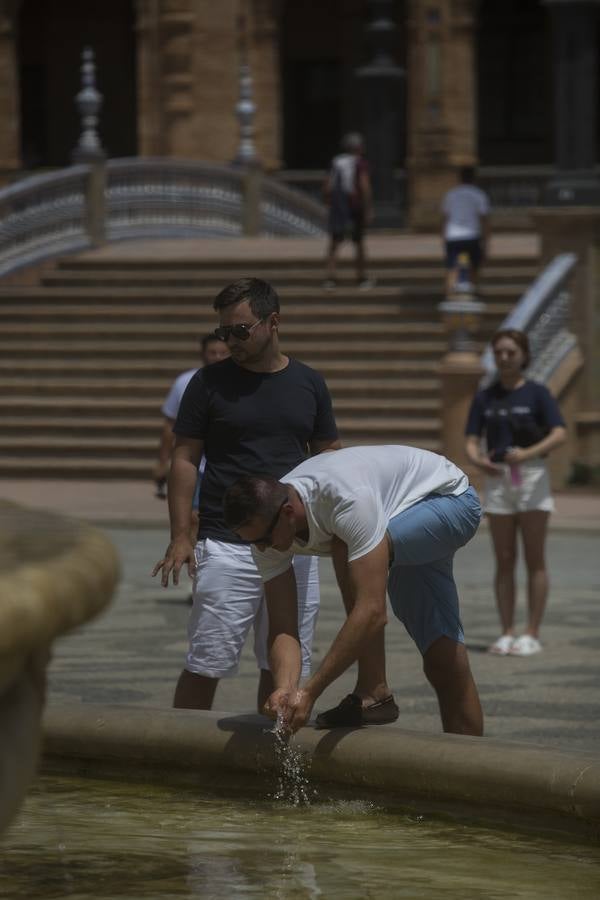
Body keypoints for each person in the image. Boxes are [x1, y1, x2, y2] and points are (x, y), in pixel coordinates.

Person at [152, 278, 341, 712]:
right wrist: (182, 535)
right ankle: (182, 757)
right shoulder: (208, 383)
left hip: (295, 544)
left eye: (240, 331)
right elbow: (184, 459)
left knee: (281, 665)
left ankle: (267, 761)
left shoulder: (309, 383)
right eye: (223, 333)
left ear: (273, 322)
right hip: (225, 541)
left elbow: (331, 458)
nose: (230, 341)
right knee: (207, 660)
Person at [223, 445, 483, 735]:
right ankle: (474, 770)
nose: (260, 549)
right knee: (443, 662)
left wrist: (310, 692)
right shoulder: (267, 525)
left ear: (287, 512)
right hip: (396, 512)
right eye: (250, 542)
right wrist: (286, 689)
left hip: (451, 500)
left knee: (343, 545)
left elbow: (372, 612)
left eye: (262, 539)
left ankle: (374, 690)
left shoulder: (344, 499)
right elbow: (283, 627)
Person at [464, 329, 567, 657]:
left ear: (523, 355)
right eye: (499, 353)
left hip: (532, 474)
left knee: (534, 557)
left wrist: (527, 453)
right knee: (504, 559)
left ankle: (531, 632)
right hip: (498, 479)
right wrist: (479, 461)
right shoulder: (486, 396)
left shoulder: (537, 393)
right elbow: (470, 439)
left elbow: (559, 432)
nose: (505, 358)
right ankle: (507, 631)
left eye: (511, 352)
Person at [152, 334, 230, 501]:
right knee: (193, 518)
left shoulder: (240, 384)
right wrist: (162, 462)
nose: (217, 357)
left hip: (228, 466)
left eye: (223, 353)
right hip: (195, 466)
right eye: (212, 352)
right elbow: (170, 425)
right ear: (203, 354)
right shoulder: (185, 382)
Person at [323, 132, 374, 290]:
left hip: (339, 207)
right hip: (354, 206)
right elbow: (364, 186)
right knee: (358, 243)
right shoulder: (360, 163)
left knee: (334, 243)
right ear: (359, 147)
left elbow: (328, 186)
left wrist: (330, 205)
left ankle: (331, 279)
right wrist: (368, 208)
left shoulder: (336, 161)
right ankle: (361, 278)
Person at [441, 166, 490, 296]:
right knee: (474, 267)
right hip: (472, 235)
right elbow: (484, 219)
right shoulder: (478, 194)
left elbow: (445, 218)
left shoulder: (451, 194)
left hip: (453, 235)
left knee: (452, 268)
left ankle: (449, 295)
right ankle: (474, 293)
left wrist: (443, 237)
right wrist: (486, 241)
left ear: (459, 178)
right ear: (474, 178)